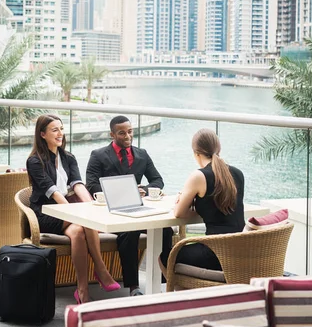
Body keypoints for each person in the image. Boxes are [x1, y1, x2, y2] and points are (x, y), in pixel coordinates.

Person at [27, 114, 120, 304]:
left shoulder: (68, 157)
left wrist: (90, 205)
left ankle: (82, 290)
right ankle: (101, 269)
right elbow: (53, 192)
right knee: (83, 220)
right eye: (55, 130)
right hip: (46, 213)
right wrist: (77, 212)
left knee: (78, 231)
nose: (60, 133)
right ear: (42, 134)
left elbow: (77, 184)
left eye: (61, 128)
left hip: (68, 213)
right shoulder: (35, 161)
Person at [86, 115, 173, 296]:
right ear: (112, 134)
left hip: (138, 208)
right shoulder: (98, 155)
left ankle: (166, 281)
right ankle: (134, 287)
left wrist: (146, 190)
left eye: (130, 131)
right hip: (112, 212)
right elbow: (91, 185)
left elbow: (158, 180)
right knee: (129, 232)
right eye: (122, 133)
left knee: (166, 230)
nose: (127, 136)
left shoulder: (142, 155)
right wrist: (120, 192)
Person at [159, 128, 244, 276]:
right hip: (238, 252)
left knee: (166, 255)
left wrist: (182, 198)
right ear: (219, 149)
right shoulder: (237, 173)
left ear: (196, 153)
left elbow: (179, 213)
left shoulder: (199, 176)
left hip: (214, 254)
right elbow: (218, 207)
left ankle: (176, 292)